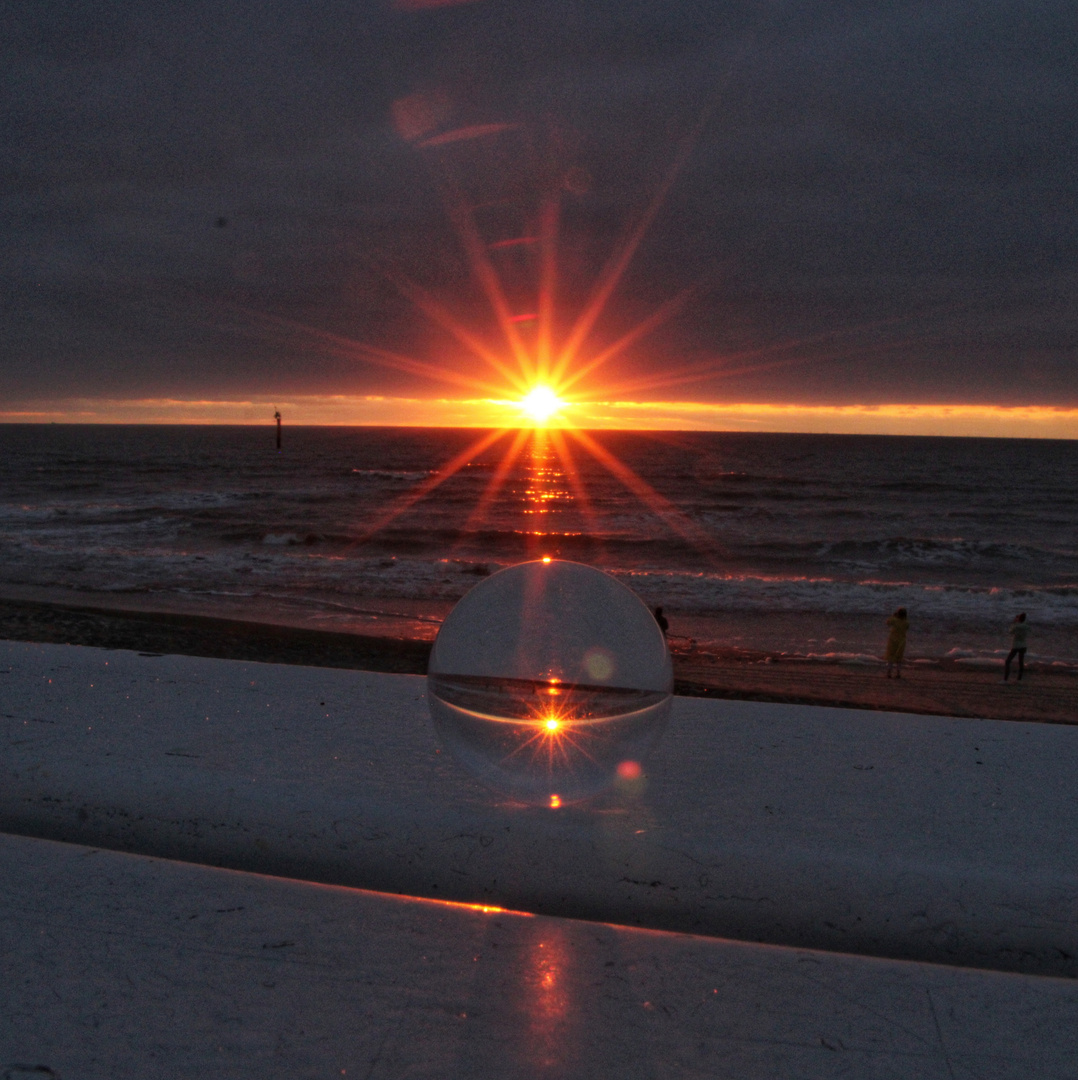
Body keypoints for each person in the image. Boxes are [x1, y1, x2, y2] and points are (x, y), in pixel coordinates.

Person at [884, 607, 909, 678]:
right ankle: (898, 673)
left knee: (890, 657)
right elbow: (907, 626)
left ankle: (889, 673)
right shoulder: (906, 622)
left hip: (892, 641)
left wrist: (893, 616)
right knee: (899, 658)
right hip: (901, 641)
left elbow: (888, 622)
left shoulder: (894, 620)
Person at [1004, 613, 1029, 682]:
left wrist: (1014, 623)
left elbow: (1010, 632)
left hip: (1016, 646)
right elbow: (1028, 629)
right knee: (1021, 662)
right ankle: (1019, 679)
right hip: (1023, 646)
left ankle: (1005, 679)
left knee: (1008, 661)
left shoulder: (1016, 626)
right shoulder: (1026, 626)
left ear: (1018, 619)